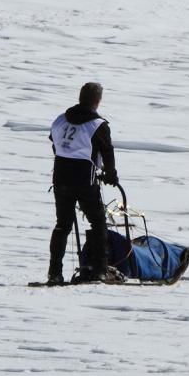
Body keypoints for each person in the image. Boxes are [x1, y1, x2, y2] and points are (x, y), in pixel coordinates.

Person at [46, 82, 119, 284]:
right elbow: (107, 152)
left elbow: (55, 142)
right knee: (98, 222)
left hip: (60, 177)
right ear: (97, 101)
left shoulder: (60, 120)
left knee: (62, 225)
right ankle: (100, 270)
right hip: (84, 180)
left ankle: (54, 272)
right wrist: (111, 174)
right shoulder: (98, 125)